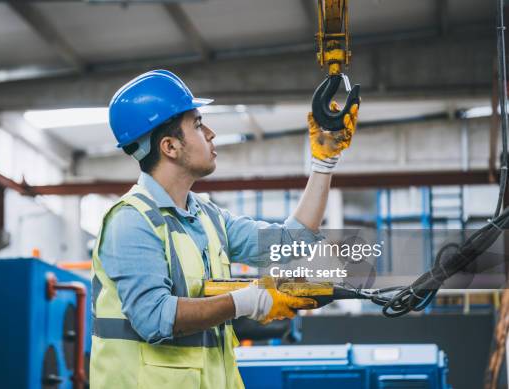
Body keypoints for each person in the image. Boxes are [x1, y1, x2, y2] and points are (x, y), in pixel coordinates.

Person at [90, 69, 359, 388]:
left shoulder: (206, 217)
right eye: (198, 124)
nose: (212, 133)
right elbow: (155, 318)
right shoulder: (131, 220)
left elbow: (290, 244)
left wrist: (324, 161)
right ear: (170, 147)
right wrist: (248, 300)